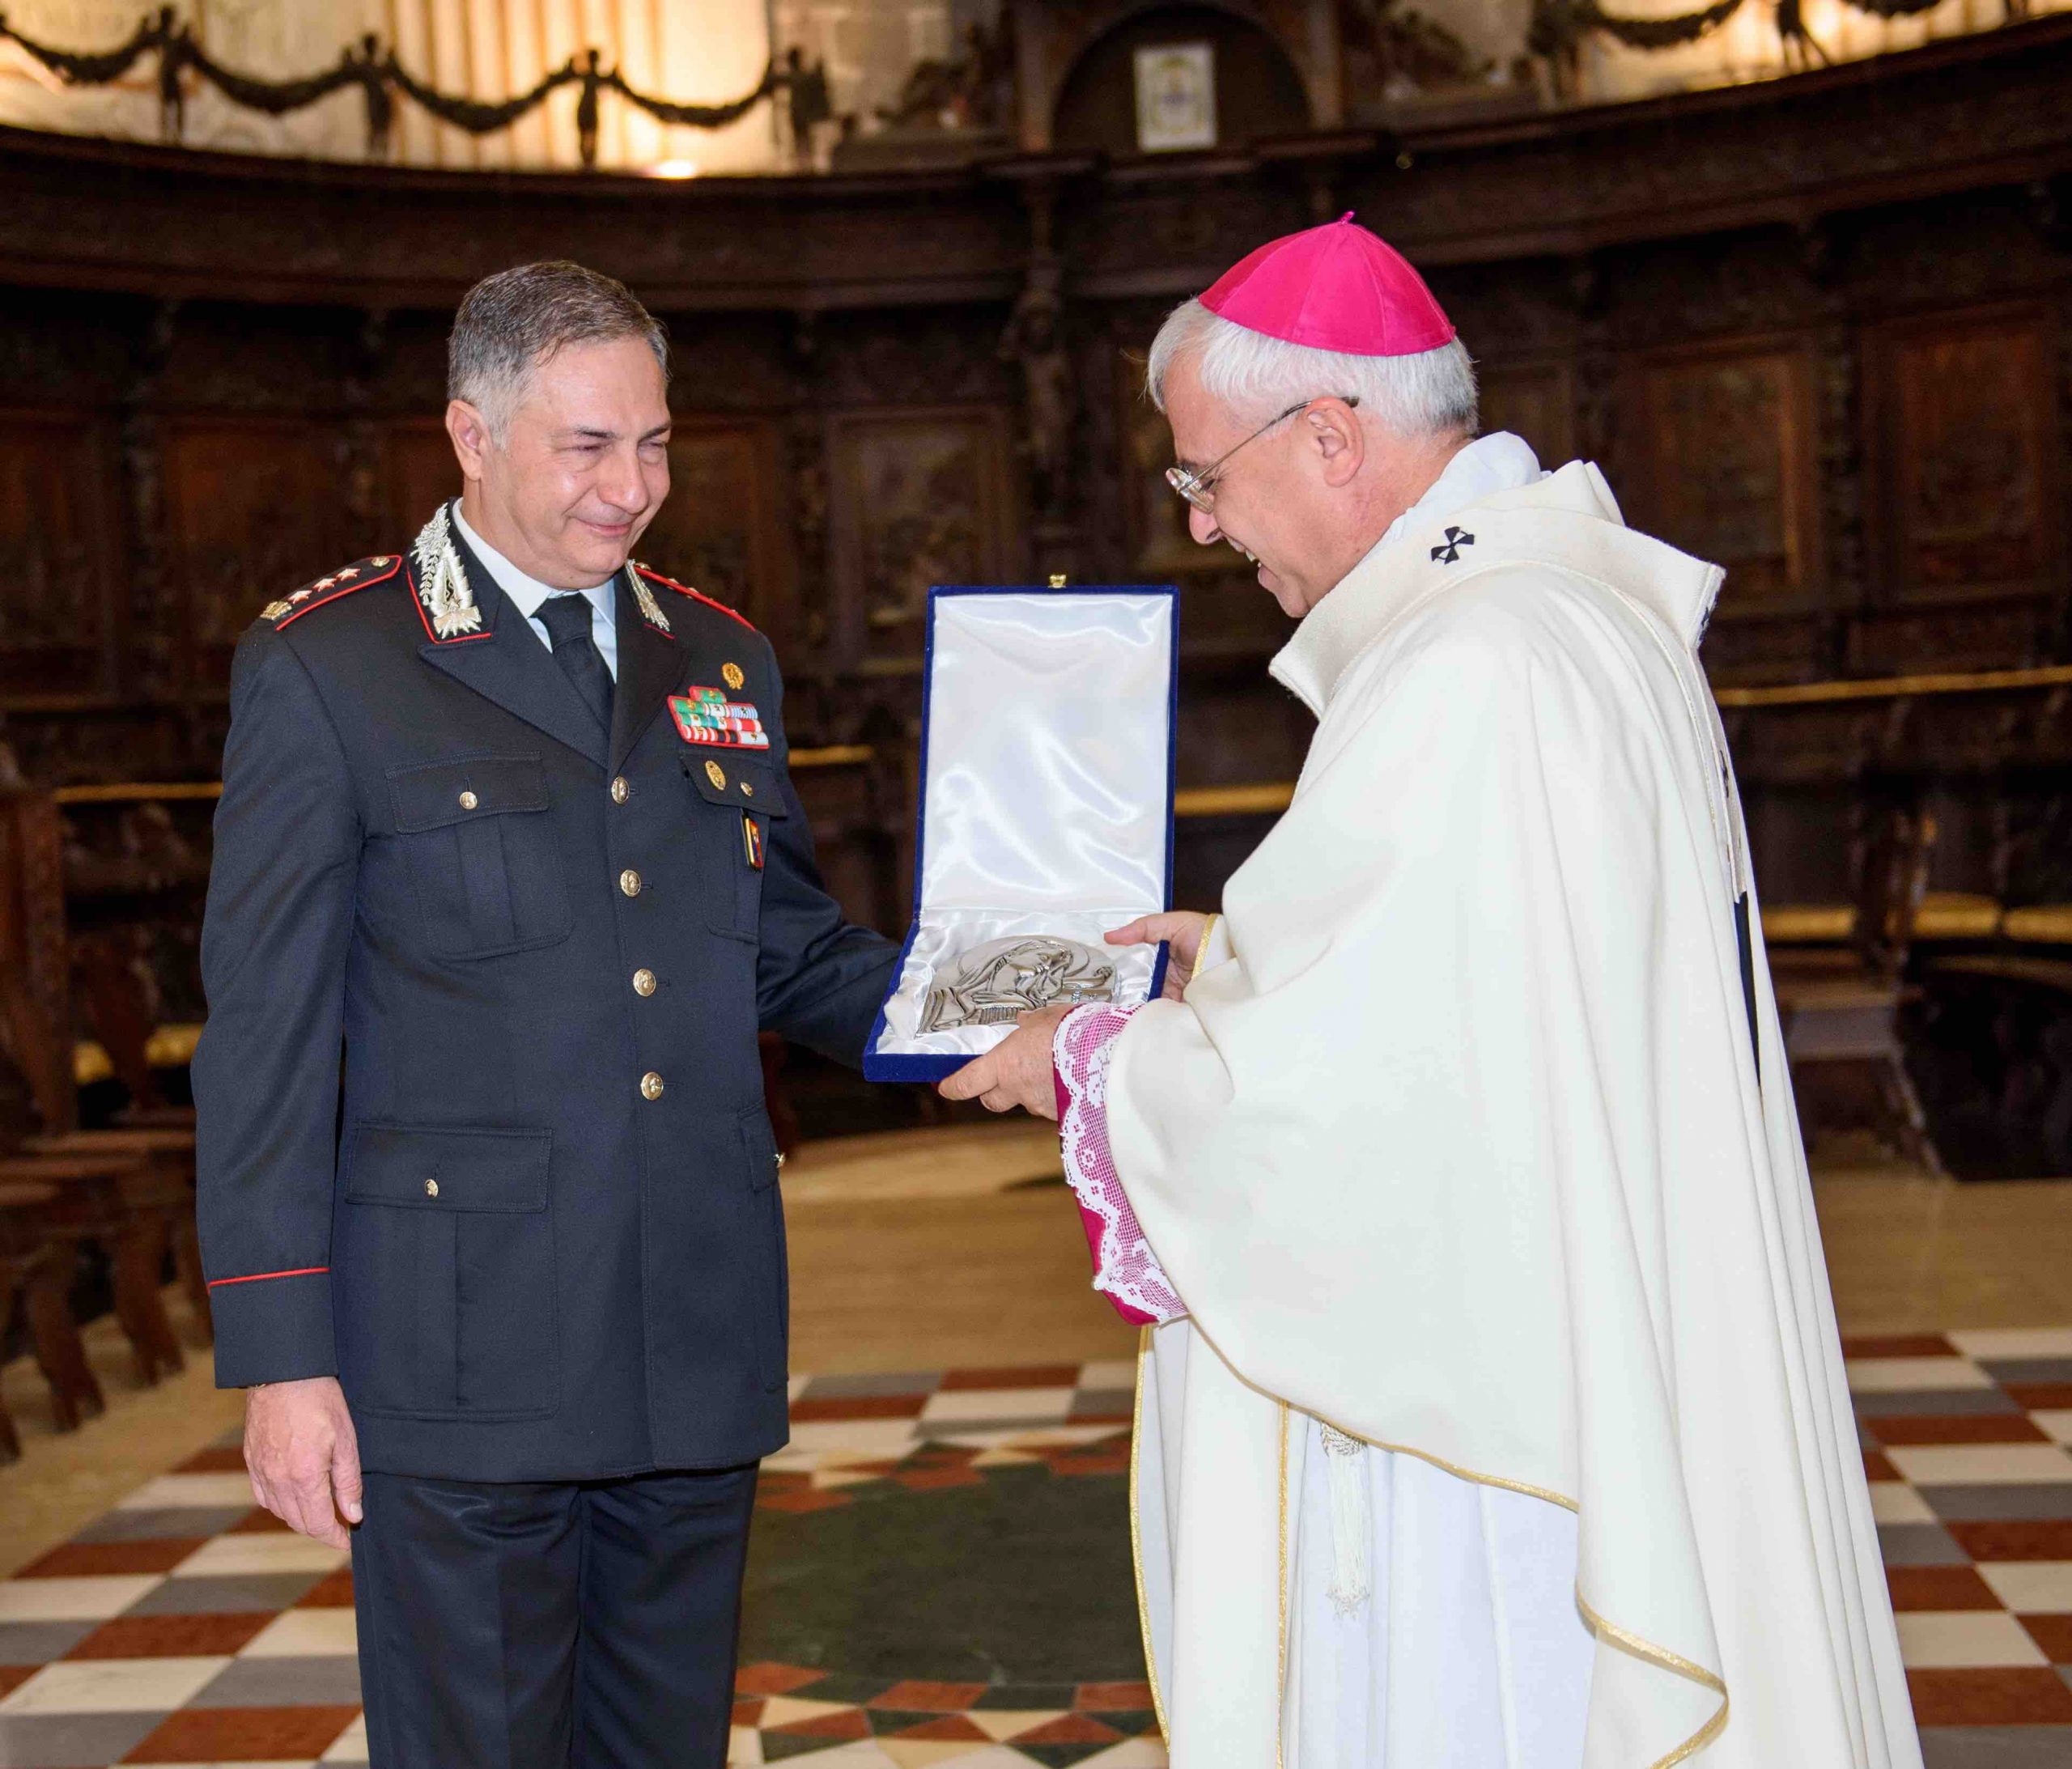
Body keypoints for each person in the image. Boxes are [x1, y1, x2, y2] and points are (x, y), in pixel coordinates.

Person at [943, 215, 1921, 1768]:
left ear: (1327, 433)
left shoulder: (1473, 662)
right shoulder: (1570, 620)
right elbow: (1482, 991)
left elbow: (1352, 1114)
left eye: (1203, 476)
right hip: (1584, 1324)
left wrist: (1097, 1057)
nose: (1200, 525)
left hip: (1492, 1430)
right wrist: (1246, 959)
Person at [193, 261, 898, 1768]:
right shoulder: (334, 665)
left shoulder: (720, 656)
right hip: (461, 1350)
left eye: (653, 443)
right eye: (589, 446)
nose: (631, 487)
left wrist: (1025, 1017)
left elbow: (787, 952)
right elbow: (263, 1034)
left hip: (692, 1327)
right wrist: (279, 1355)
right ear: (472, 432)